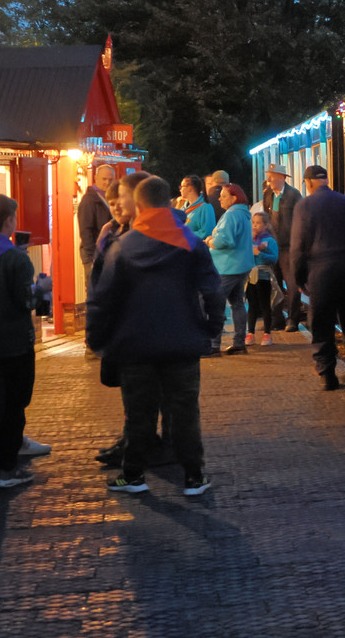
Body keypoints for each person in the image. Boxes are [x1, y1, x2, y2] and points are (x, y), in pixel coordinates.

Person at [86, 175, 223, 495]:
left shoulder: (122, 246)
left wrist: (97, 338)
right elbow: (212, 289)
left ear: (141, 203)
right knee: (186, 410)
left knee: (138, 412)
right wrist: (212, 328)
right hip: (182, 343)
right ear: (168, 202)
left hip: (135, 345)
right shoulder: (189, 241)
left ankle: (132, 475)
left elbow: (102, 298)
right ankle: (194, 476)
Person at [290, 165, 345, 391]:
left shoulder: (304, 205)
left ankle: (327, 374)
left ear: (307, 183)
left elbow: (298, 246)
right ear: (326, 180)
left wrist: (298, 278)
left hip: (320, 271)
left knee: (321, 323)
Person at [0, 193, 38, 488]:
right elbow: (27, 301)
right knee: (13, 407)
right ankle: (6, 469)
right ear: (8, 222)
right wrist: (43, 288)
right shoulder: (17, 259)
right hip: (14, 345)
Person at [204, 183, 254, 355]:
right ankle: (239, 342)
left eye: (223, 196)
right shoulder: (244, 214)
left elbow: (224, 241)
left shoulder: (231, 215)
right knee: (237, 304)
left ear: (233, 198)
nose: (219, 198)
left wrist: (211, 240)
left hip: (227, 267)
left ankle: (213, 345)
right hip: (242, 266)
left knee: (215, 305)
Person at [262, 164, 302, 331]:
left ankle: (293, 320)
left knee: (292, 285)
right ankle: (277, 319)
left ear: (282, 177)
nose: (269, 180)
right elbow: (267, 217)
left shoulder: (294, 195)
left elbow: (300, 220)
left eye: (272, 176)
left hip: (289, 248)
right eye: (268, 176)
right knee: (274, 284)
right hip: (274, 246)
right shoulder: (269, 195)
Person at [78, 164, 116, 287]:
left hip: (108, 252)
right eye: (104, 179)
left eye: (110, 179)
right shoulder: (89, 201)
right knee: (94, 288)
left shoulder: (110, 199)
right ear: (96, 178)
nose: (107, 183)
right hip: (94, 254)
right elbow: (85, 231)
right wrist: (91, 257)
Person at [246, 212, 278, 347]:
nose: (255, 225)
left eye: (258, 223)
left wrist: (260, 253)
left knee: (265, 305)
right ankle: (250, 332)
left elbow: (274, 258)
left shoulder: (270, 241)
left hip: (263, 277)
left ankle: (267, 333)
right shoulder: (249, 240)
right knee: (251, 305)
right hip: (250, 277)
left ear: (266, 225)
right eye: (253, 222)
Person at [178, 175, 216, 240]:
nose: (180, 190)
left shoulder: (206, 207)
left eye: (182, 186)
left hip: (197, 247)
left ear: (190, 188)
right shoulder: (183, 207)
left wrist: (185, 234)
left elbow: (207, 232)